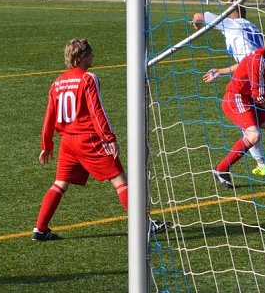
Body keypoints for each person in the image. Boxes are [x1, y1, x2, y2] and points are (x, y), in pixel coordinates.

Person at [33, 38, 167, 241]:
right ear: (83, 56)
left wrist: (47, 145)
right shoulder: (88, 78)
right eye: (91, 54)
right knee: (120, 180)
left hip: (68, 142)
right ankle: (146, 225)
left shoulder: (57, 82)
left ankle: (40, 229)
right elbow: (97, 111)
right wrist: (109, 137)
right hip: (89, 140)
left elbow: (49, 115)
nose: (93, 57)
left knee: (59, 183)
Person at [192, 6, 265, 177]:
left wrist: (196, 23)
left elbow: (199, 15)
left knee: (255, 130)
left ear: (230, 14)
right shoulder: (254, 29)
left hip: (253, 85)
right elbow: (250, 65)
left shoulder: (230, 25)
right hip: (264, 80)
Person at [211, 31, 265, 187]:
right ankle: (221, 169)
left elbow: (259, 91)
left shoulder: (261, 57)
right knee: (254, 136)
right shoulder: (259, 60)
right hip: (236, 99)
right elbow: (259, 96)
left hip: (248, 100)